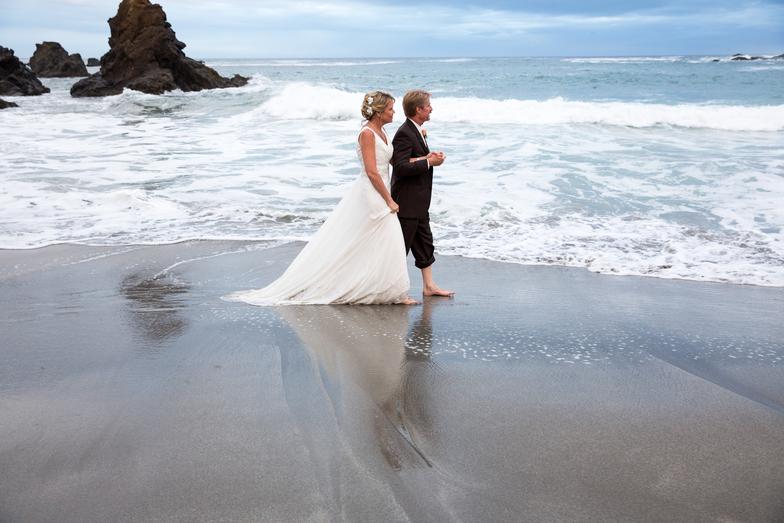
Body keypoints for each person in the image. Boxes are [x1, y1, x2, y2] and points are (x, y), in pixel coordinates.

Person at [225, 91, 418, 305]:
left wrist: (423, 158)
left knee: (375, 241)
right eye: (390, 108)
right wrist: (388, 199)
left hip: (382, 189)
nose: (394, 112)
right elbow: (372, 171)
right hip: (372, 192)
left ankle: (380, 288)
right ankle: (389, 291)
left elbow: (393, 162)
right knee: (388, 237)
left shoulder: (382, 132)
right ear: (379, 112)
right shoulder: (367, 134)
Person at [391, 90, 454, 297]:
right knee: (401, 248)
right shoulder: (404, 133)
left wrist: (428, 157)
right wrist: (428, 162)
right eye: (428, 106)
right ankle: (393, 290)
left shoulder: (416, 130)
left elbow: (411, 158)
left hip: (418, 201)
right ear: (418, 109)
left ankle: (429, 286)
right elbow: (400, 167)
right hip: (407, 201)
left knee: (425, 243)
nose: (431, 109)